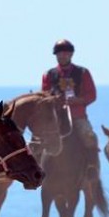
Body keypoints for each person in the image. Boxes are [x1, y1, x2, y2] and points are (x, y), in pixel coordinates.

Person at [41, 39, 100, 178]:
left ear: (71, 54)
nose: (62, 55)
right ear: (56, 55)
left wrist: (78, 101)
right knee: (38, 141)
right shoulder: (49, 74)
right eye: (59, 53)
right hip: (56, 118)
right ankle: (37, 170)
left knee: (90, 137)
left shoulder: (83, 72)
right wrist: (54, 100)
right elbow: (43, 96)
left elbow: (92, 94)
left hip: (77, 115)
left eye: (66, 53)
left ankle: (92, 168)